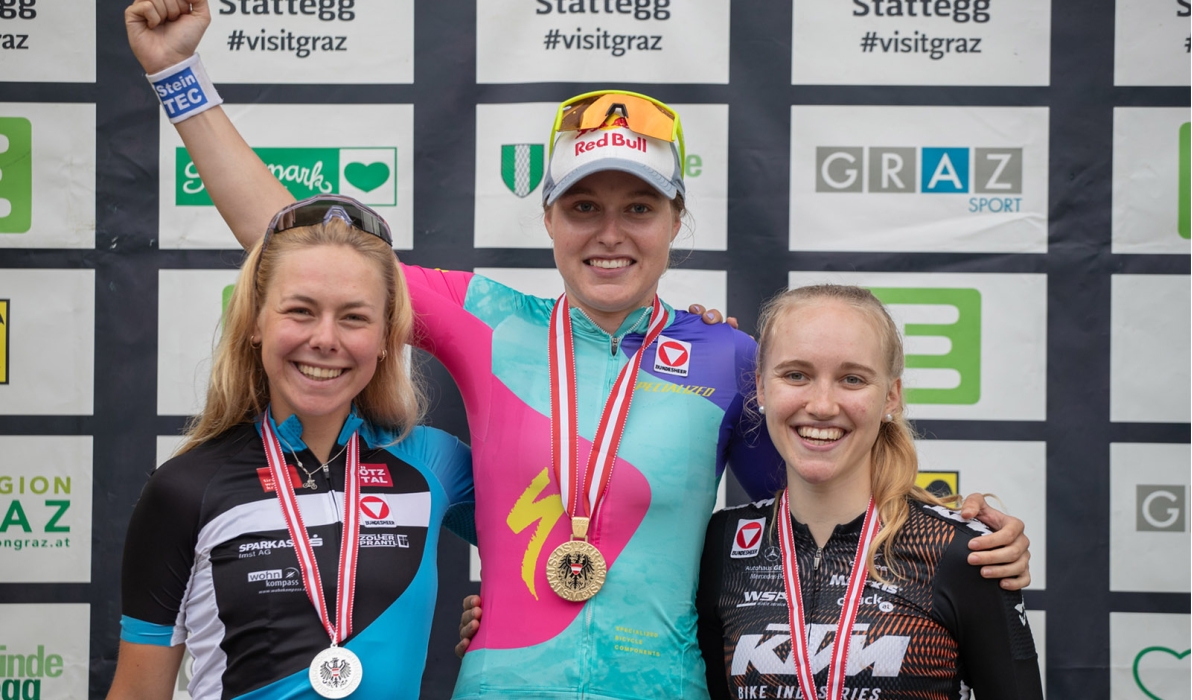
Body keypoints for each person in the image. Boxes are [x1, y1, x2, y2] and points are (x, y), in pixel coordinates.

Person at [124, 3, 1033, 697]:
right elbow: (300, 251)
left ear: (676, 220)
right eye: (583, 206)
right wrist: (177, 79)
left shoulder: (727, 358)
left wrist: (968, 531)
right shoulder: (488, 319)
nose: (611, 233)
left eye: (638, 207)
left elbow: (827, 482)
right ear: (549, 215)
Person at [108, 197, 474, 700]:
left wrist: (503, 626)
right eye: (300, 311)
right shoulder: (185, 488)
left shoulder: (434, 463)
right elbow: (137, 693)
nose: (325, 339)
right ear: (256, 323)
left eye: (353, 318)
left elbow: (568, 543)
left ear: (387, 336)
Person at [696, 285, 1043, 699]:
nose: (822, 405)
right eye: (796, 375)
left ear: (890, 397)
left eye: (852, 379)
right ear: (761, 389)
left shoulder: (962, 552)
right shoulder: (722, 543)